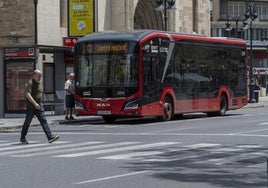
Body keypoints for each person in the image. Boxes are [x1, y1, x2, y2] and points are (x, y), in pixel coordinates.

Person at [20, 70, 59, 144]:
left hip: (40, 106)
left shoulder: (40, 83)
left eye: (41, 76)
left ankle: (50, 137)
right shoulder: (30, 82)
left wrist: (39, 103)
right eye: (39, 76)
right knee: (27, 122)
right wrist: (35, 103)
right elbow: (28, 94)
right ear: (34, 75)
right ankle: (22, 137)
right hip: (31, 107)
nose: (40, 77)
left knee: (44, 121)